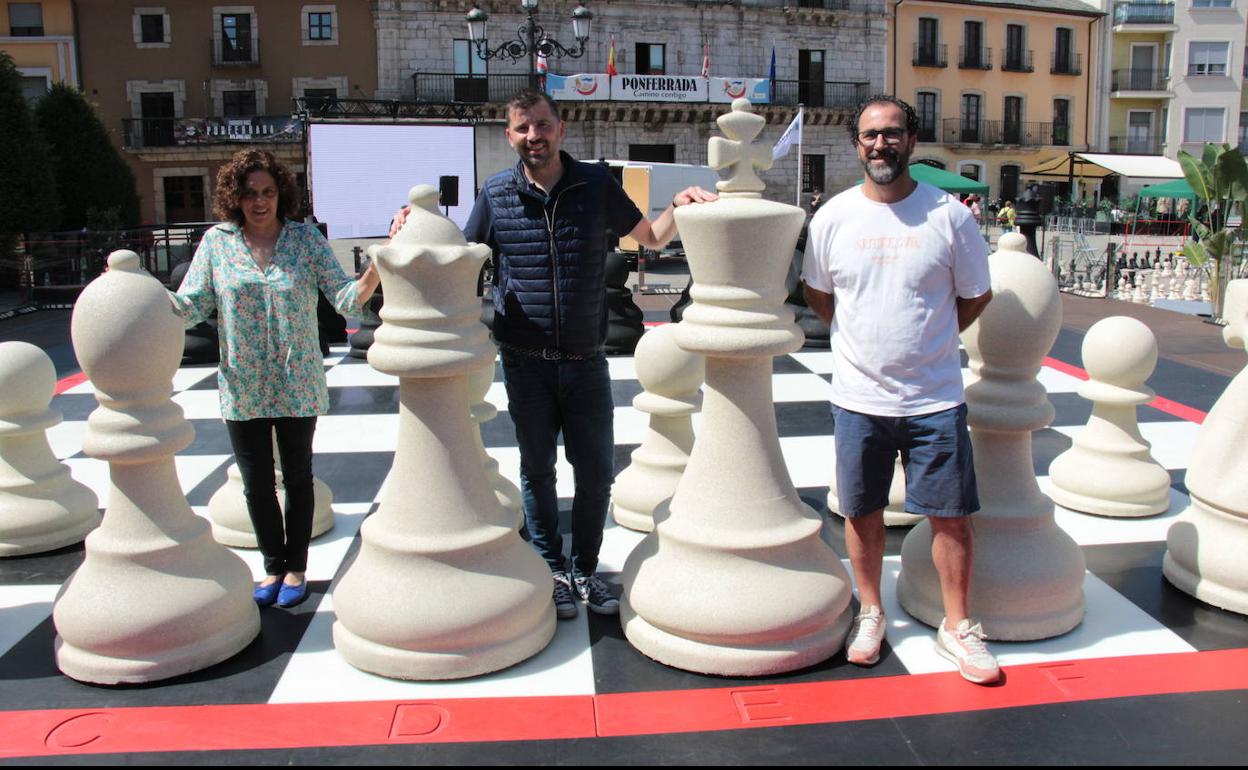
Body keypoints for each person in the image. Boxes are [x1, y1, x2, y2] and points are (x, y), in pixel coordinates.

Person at [395, 89, 715, 620]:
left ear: (560, 128)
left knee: (594, 473)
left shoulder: (595, 184)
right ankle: (550, 569)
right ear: (509, 135)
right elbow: (459, 256)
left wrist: (677, 206)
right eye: (522, 128)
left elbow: (652, 239)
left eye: (541, 125)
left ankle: (585, 569)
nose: (533, 137)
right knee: (537, 470)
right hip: (524, 361)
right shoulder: (496, 192)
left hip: (586, 358)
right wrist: (416, 223)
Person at [801, 95, 998, 684]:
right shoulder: (833, 217)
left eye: (891, 134)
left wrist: (930, 339)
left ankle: (958, 626)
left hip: (933, 397)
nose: (880, 145)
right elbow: (819, 294)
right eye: (869, 136)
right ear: (856, 144)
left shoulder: (950, 216)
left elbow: (976, 294)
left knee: (951, 518)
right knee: (861, 513)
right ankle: (870, 610)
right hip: (859, 398)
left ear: (911, 140)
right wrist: (863, 337)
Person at [172, 149, 380, 608]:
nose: (259, 202)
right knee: (256, 483)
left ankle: (297, 569)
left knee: (298, 477)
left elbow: (346, 300)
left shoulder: (304, 241)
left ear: (280, 193)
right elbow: (191, 307)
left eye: (267, 192)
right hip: (242, 382)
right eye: (249, 193)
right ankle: (271, 567)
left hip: (297, 380)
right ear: (235, 197)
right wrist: (141, 295)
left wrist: (378, 265)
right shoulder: (217, 243)